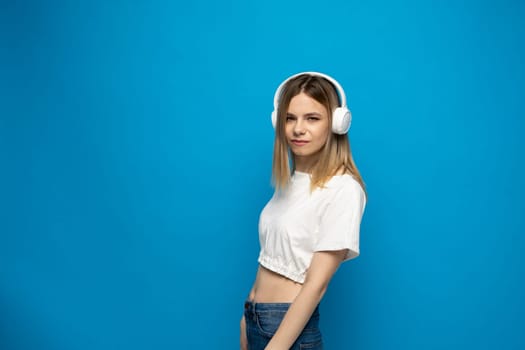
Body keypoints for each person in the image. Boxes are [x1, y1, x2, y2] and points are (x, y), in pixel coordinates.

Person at [240, 72, 367, 350]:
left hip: (288, 333)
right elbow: (270, 257)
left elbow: (316, 286)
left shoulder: (344, 189)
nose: (298, 129)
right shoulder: (291, 183)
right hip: (255, 320)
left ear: (336, 123)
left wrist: (276, 347)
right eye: (289, 118)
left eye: (312, 118)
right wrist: (247, 316)